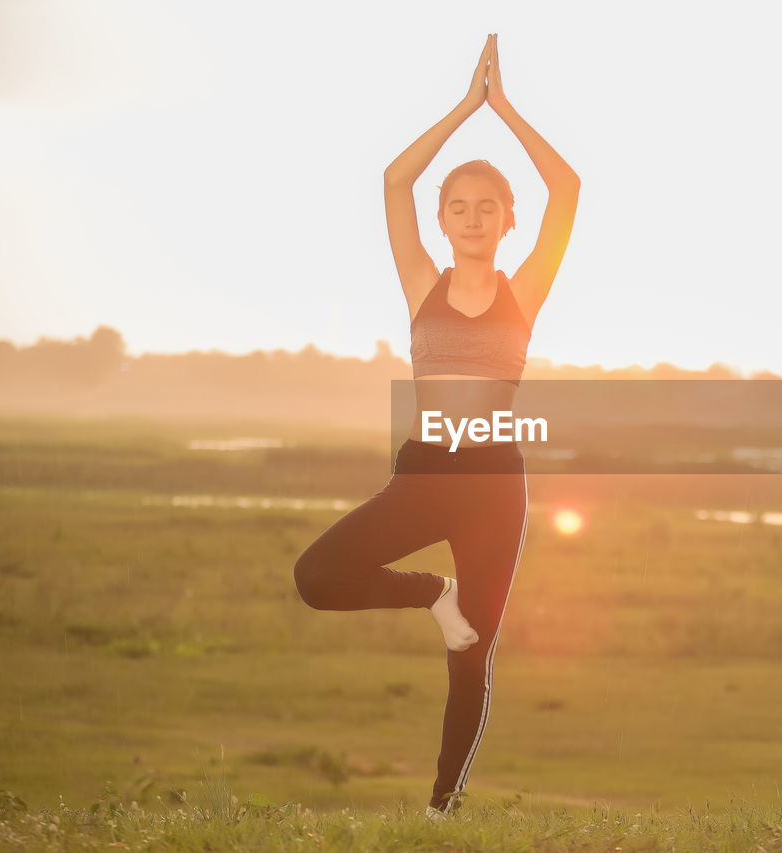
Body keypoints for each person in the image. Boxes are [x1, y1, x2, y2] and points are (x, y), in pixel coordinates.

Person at [293, 33, 579, 817]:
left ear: (507, 221)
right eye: (459, 207)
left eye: (488, 207)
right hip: (423, 472)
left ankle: (441, 809)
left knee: (473, 654)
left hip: (494, 483)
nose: (473, 217)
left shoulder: (525, 291)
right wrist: (465, 106)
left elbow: (568, 188)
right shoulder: (422, 282)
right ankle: (433, 592)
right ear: (444, 221)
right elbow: (393, 179)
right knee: (316, 578)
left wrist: (508, 111)